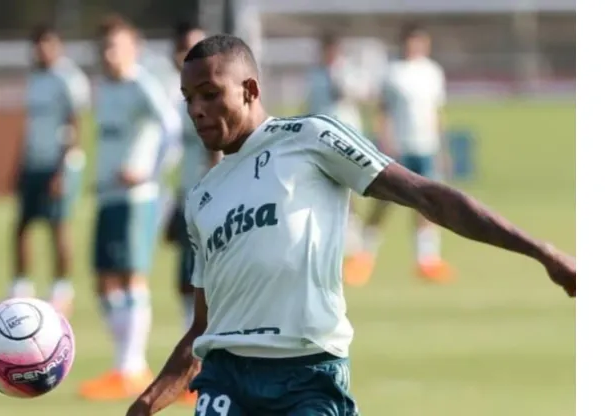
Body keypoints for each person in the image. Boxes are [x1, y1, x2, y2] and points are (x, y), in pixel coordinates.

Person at [125, 34, 576, 416]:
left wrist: (541, 251)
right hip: (226, 380)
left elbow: (427, 196)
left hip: (307, 374)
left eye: (209, 93)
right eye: (189, 100)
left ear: (249, 88)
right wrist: (147, 401)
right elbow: (204, 328)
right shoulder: (202, 197)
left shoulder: (310, 139)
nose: (197, 110)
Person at [78, 15, 182, 402]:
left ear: (133, 49)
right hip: (106, 196)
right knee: (103, 280)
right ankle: (125, 363)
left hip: (137, 199)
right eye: (103, 47)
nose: (108, 54)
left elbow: (172, 130)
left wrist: (147, 173)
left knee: (131, 277)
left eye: (115, 47)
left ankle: (131, 366)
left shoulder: (143, 85)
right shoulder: (104, 88)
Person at [347, 23, 452, 286]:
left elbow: (437, 111)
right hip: (399, 147)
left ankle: (427, 260)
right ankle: (364, 256)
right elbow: (383, 111)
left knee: (427, 204)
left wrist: (442, 146)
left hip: (425, 146)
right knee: (384, 203)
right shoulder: (393, 73)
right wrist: (385, 141)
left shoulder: (432, 72)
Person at [8, 25, 90, 316]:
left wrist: (61, 169)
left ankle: (61, 289)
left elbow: (74, 125)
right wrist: (20, 162)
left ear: (58, 46)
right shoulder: (35, 78)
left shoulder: (67, 78)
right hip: (34, 163)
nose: (42, 50)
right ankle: (20, 288)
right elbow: (30, 126)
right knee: (22, 226)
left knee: (59, 226)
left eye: (47, 44)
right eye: (37, 44)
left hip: (59, 165)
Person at [164, 20, 222, 343]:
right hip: (186, 193)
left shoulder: (214, 93)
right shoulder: (176, 96)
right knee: (186, 275)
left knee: (208, 275)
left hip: (209, 196)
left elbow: (217, 148)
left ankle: (207, 350)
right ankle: (197, 348)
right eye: (183, 48)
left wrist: (208, 190)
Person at [305, 32, 375, 286]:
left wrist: (342, 80)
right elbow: (311, 106)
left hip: (347, 140)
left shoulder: (347, 71)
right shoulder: (314, 75)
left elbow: (364, 94)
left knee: (353, 195)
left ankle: (355, 250)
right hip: (320, 141)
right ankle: (331, 250)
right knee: (324, 192)